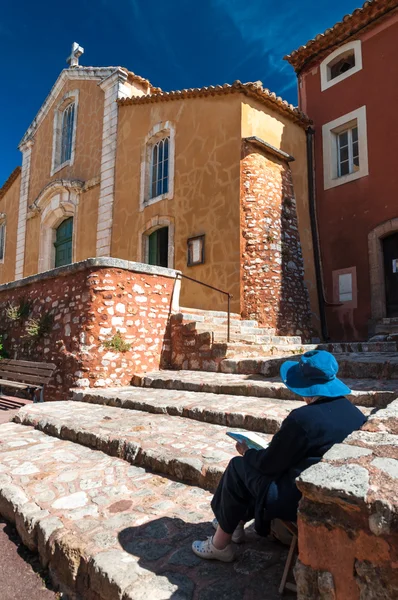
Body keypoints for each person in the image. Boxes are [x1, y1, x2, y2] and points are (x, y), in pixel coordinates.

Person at [192, 349, 367, 562]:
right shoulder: (354, 413)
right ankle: (232, 523)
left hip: (296, 496)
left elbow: (268, 465)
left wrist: (248, 452)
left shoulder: (302, 419)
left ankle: (220, 544)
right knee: (250, 467)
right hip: (330, 491)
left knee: (239, 466)